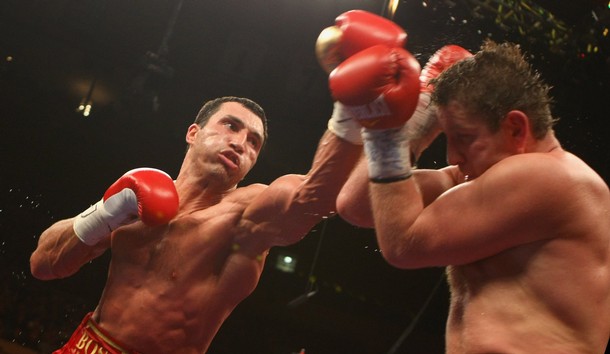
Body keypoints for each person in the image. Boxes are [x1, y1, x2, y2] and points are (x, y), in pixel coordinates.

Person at [29, 10, 420, 354]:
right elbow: (44, 265)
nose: (240, 143)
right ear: (193, 132)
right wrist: (108, 211)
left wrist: (351, 114)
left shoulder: (244, 214)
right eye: (230, 126)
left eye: (254, 143)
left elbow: (310, 199)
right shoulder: (137, 196)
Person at [336, 40, 610, 353]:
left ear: (516, 128)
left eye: (465, 138)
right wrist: (416, 118)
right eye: (448, 138)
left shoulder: (550, 177)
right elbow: (357, 205)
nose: (453, 156)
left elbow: (402, 244)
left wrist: (387, 132)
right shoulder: (479, 178)